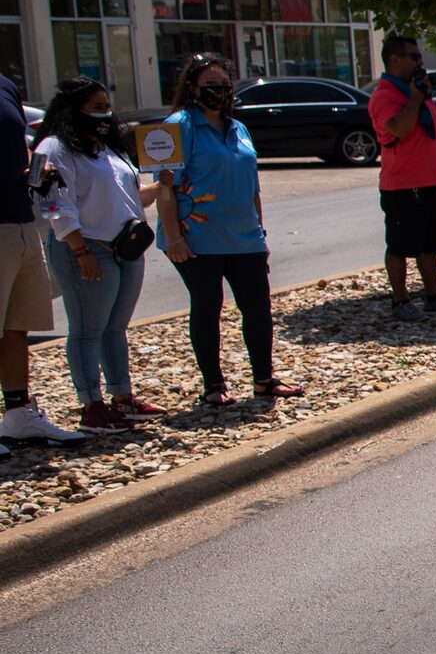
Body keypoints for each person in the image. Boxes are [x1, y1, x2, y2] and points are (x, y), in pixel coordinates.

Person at [154, 55, 302, 408]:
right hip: (197, 238)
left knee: (258, 307)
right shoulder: (178, 126)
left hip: (244, 236)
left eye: (224, 85)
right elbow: (163, 188)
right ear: (192, 89)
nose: (219, 92)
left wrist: (260, 233)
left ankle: (264, 380)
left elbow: (252, 186)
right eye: (211, 86)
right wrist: (174, 236)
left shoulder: (238, 128)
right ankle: (213, 384)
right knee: (207, 307)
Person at [33, 77, 155, 431]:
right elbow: (54, 204)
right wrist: (80, 250)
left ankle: (122, 397)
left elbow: (130, 196)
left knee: (115, 328)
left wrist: (161, 187)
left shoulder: (109, 148)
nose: (105, 114)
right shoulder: (53, 148)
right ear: (73, 109)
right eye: (96, 107)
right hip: (85, 248)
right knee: (87, 330)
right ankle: (91, 406)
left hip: (126, 247)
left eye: (107, 106)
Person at [0, 50, 85, 448]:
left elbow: (18, 146)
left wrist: (36, 168)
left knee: (17, 324)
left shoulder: (6, 86)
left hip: (20, 222)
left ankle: (18, 415)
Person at [368, 35, 436, 320]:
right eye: (413, 57)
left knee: (429, 243)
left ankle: (433, 295)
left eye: (419, 56)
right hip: (402, 184)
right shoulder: (386, 95)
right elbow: (397, 128)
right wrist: (415, 98)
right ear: (394, 60)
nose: (419, 62)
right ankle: (401, 300)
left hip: (429, 181)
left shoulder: (415, 91)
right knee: (399, 245)